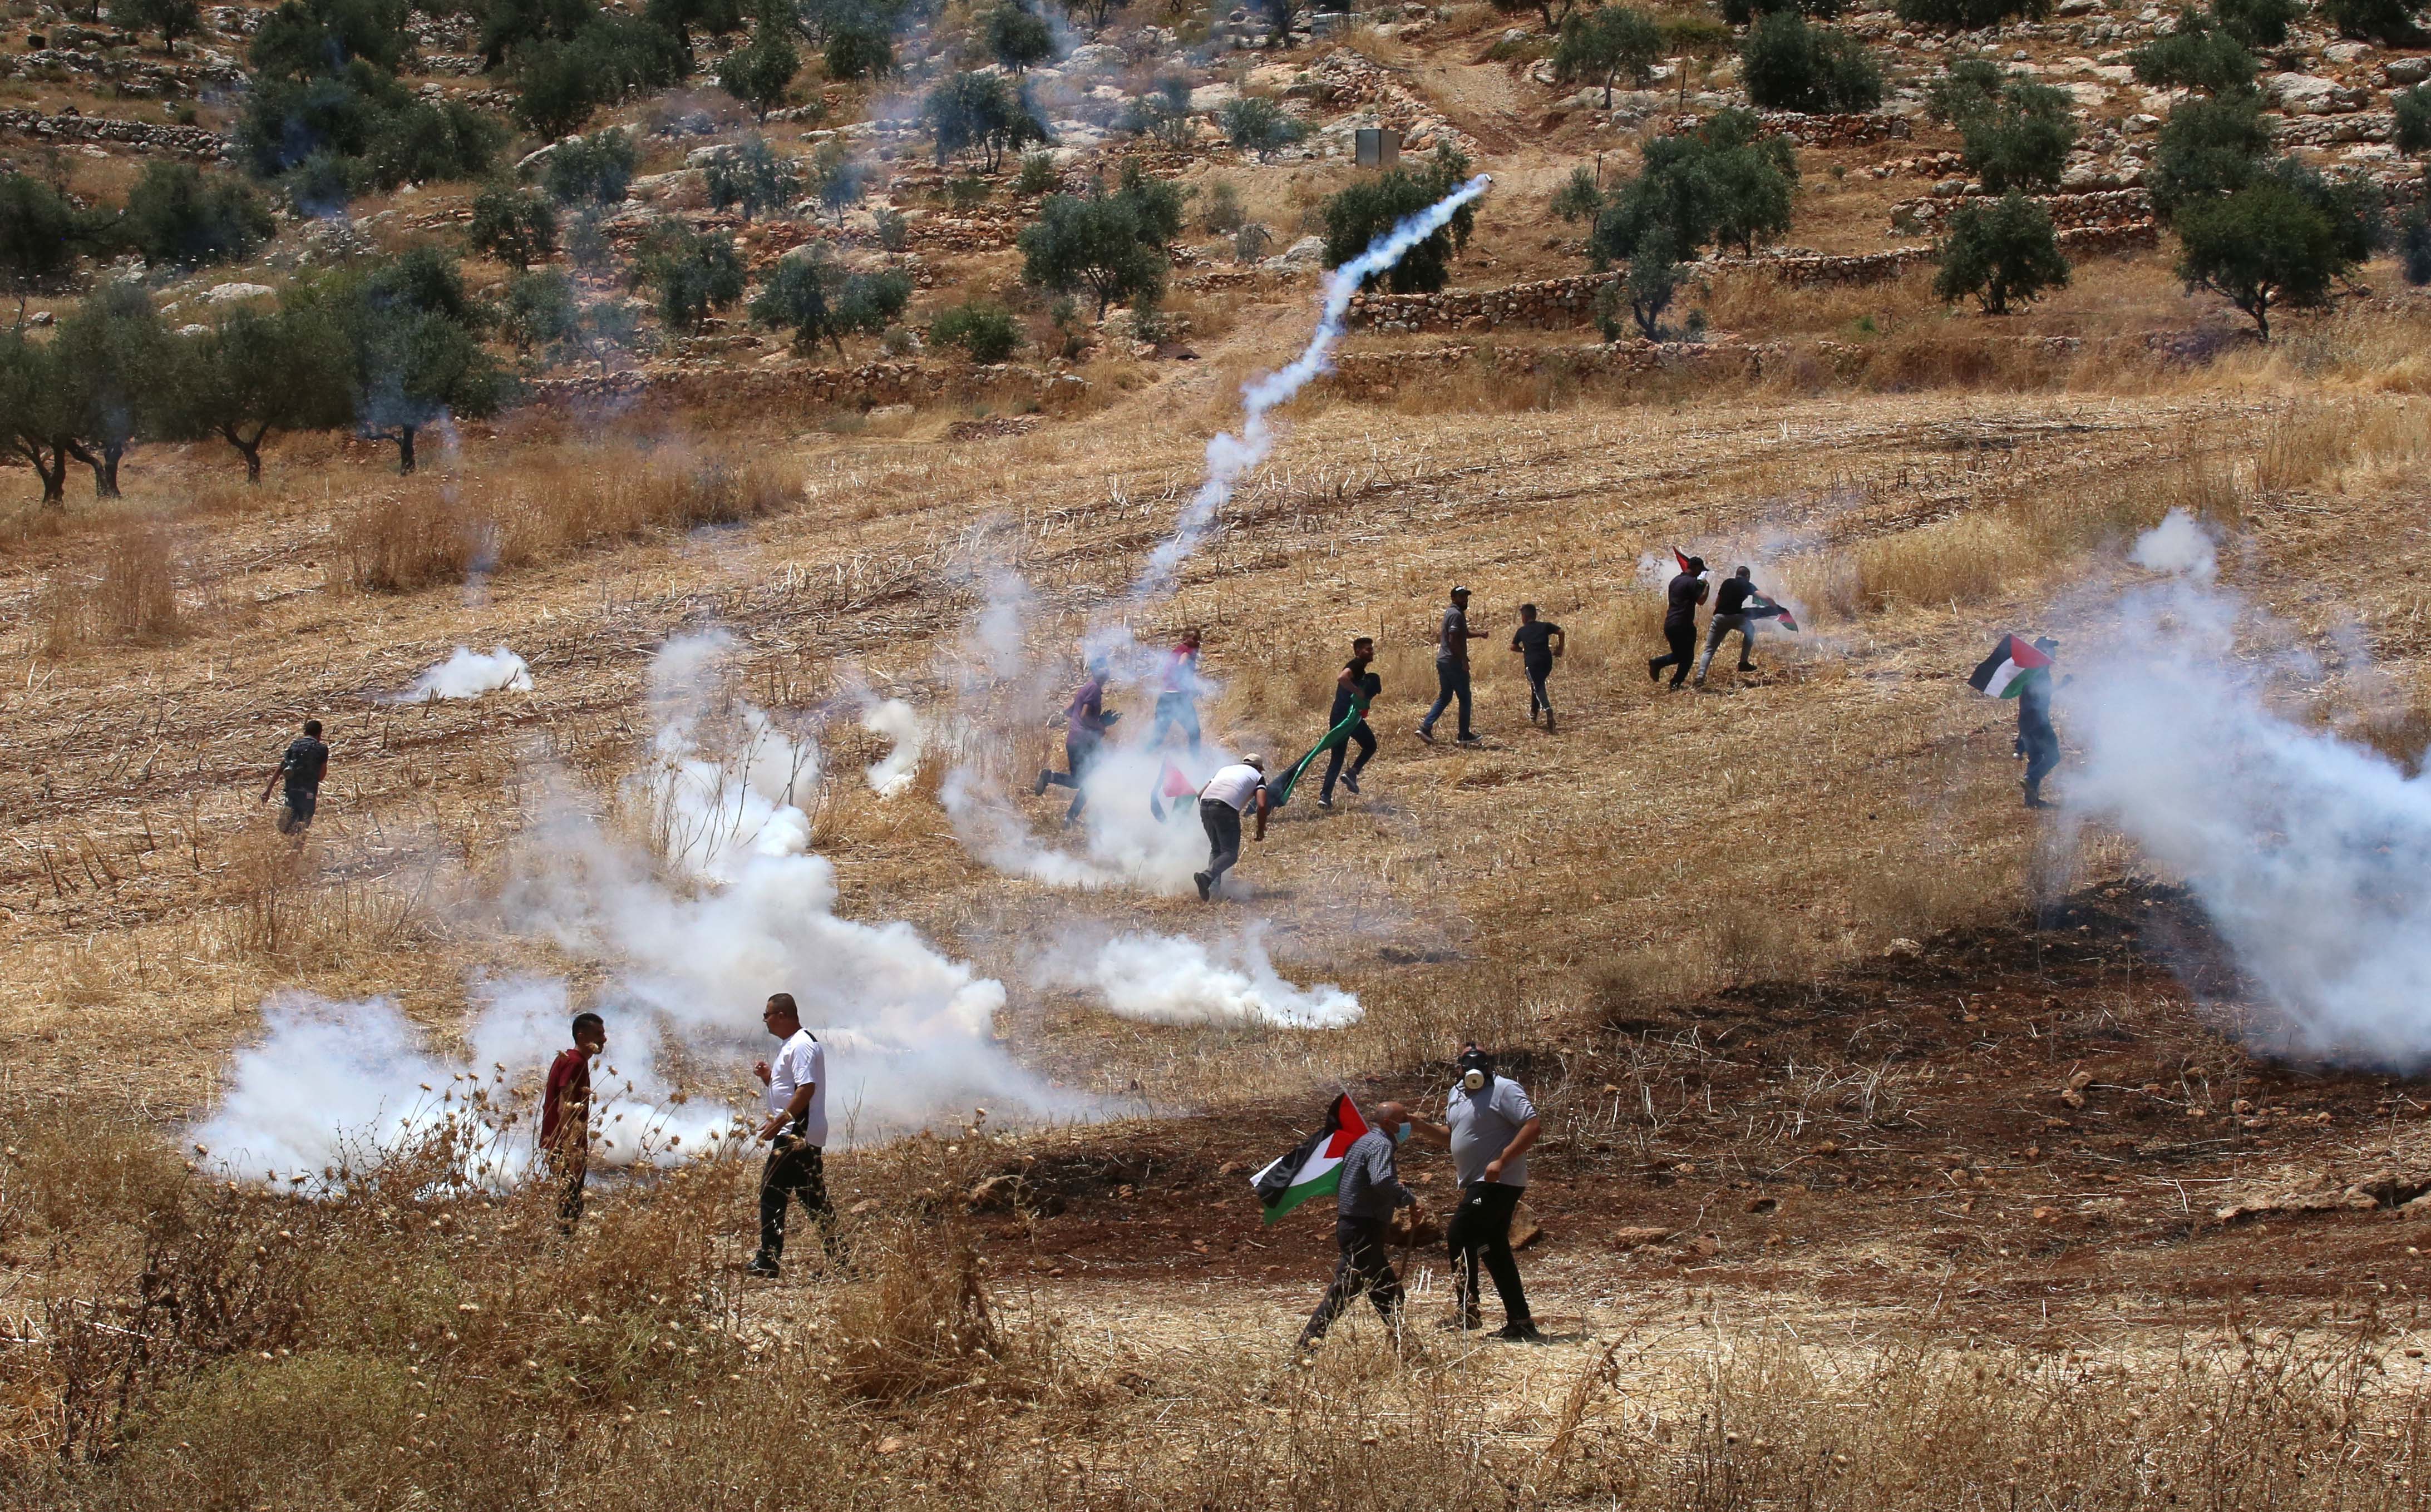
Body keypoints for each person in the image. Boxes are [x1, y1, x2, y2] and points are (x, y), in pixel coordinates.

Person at [1409, 1044, 1541, 1340]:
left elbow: (1532, 1126)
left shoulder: (1505, 1089)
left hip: (1496, 1182)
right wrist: (1418, 1126)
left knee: (1459, 1233)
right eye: (1467, 1060)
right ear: (1458, 1067)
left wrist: (1502, 1160)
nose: (1474, 1065)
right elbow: (1452, 1137)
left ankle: (1467, 1310)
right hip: (1478, 1182)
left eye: (1480, 1059)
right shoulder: (1456, 1093)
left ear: (1489, 1064)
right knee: (1493, 1250)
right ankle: (1521, 1321)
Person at [1296, 1100, 1416, 1353]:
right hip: (1364, 1229)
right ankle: (1304, 1350)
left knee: (1387, 1289)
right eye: (1403, 1118)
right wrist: (1407, 1198)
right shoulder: (1381, 1144)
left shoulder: (1361, 1143)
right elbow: (1382, 1180)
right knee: (1341, 1294)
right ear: (1388, 1123)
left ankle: (1409, 1349)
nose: (1408, 1123)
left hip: (1355, 1226)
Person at [747, 993, 836, 1279]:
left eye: (768, 1015)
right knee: (813, 1199)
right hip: (798, 1130)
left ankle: (768, 1260)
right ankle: (843, 1259)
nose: (765, 1021)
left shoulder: (802, 1045)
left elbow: (806, 1089)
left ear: (782, 1015)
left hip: (796, 1132)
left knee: (771, 1192)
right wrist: (768, 1078)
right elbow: (792, 1085)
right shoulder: (793, 1045)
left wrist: (782, 1120)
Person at [539, 1012, 605, 1233]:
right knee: (571, 1201)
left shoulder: (568, 1059)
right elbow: (564, 1106)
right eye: (598, 1035)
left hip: (560, 1141)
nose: (603, 1040)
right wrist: (572, 1147)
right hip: (565, 1144)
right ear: (581, 1036)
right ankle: (562, 1249)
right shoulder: (575, 1063)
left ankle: (562, 1247)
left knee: (568, 1198)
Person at [1034, 658, 1117, 826]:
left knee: (1080, 781)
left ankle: (1050, 777)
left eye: (1106, 667)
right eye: (1101, 668)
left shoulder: (1088, 687)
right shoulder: (1094, 689)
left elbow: (1069, 711)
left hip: (1075, 740)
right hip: (1084, 743)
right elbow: (1084, 715)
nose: (1105, 671)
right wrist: (1100, 726)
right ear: (1094, 671)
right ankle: (1070, 817)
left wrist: (1097, 720)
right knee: (1092, 781)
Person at [1318, 637, 1381, 809]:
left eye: (1372, 649)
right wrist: (1358, 692)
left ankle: (1325, 796)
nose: (1371, 652)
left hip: (1339, 715)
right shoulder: (1356, 664)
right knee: (1370, 745)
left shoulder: (1361, 669)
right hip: (1347, 718)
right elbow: (1342, 678)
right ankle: (1352, 773)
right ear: (1358, 651)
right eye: (1367, 649)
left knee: (1337, 758)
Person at [1194, 754, 1268, 902]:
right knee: (1230, 854)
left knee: (1216, 850)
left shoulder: (1225, 770)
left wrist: (1210, 814)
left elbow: (1200, 794)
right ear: (1259, 768)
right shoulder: (1257, 776)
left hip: (1205, 804)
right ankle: (1206, 877)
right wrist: (1260, 830)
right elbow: (1262, 805)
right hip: (1225, 808)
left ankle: (1214, 894)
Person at [1417, 585, 1485, 745]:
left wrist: (1479, 634)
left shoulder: (1452, 613)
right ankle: (1464, 735)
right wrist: (1463, 660)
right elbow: (1453, 639)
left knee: (1446, 696)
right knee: (1465, 698)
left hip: (1443, 660)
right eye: (1461, 597)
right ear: (1454, 598)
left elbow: (1464, 634)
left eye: (1466, 596)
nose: (1465, 600)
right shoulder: (1456, 615)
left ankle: (1426, 727)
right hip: (1453, 662)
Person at [1694, 566, 1768, 685]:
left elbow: (1717, 603)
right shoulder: (1747, 585)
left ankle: (1700, 677)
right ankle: (1743, 662)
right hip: (1736, 618)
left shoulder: (1727, 582)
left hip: (1719, 618)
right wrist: (1775, 608)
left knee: (1709, 649)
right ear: (1748, 576)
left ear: (1736, 574)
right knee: (1750, 630)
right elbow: (1764, 598)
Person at [260, 718, 329, 836]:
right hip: (309, 794)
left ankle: (282, 849)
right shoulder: (321, 749)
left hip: (292, 792)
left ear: (305, 733)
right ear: (320, 734)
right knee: (303, 829)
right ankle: (297, 851)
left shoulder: (295, 746)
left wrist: (268, 791)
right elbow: (321, 777)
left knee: (284, 829)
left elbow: (280, 768)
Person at [1648, 559, 1708, 691]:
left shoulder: (1675, 581)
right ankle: (1673, 681)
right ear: (1697, 568)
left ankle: (1660, 666)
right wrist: (1706, 586)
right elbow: (1701, 601)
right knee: (1687, 658)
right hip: (1684, 625)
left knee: (1679, 655)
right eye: (1701, 569)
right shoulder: (1693, 582)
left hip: (1670, 623)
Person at [2018, 636, 2061, 809]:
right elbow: (2039, 696)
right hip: (2038, 722)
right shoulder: (2040, 671)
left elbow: (2040, 694)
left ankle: (2031, 800)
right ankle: (2031, 779)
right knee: (2053, 756)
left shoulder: (2032, 671)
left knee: (2035, 758)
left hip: (2026, 722)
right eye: (2050, 648)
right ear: (2042, 651)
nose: (2054, 651)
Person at [1509, 605, 1566, 732]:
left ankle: (1547, 708)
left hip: (1532, 662)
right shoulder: (1544, 626)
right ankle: (1534, 714)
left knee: (1538, 686)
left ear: (1523, 617)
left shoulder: (1522, 631)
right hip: (1547, 661)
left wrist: (1524, 650)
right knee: (1537, 685)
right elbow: (1561, 632)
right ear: (1535, 615)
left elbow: (1513, 647)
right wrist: (1560, 648)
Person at [1146, 628, 1205, 752]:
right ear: (1185, 639)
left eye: (1199, 638)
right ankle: (1195, 765)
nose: (1198, 641)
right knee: (1194, 732)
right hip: (1178, 699)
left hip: (1165, 698)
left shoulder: (1177, 651)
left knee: (1158, 737)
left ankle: (1138, 760)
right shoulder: (1187, 652)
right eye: (1194, 638)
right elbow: (1181, 666)